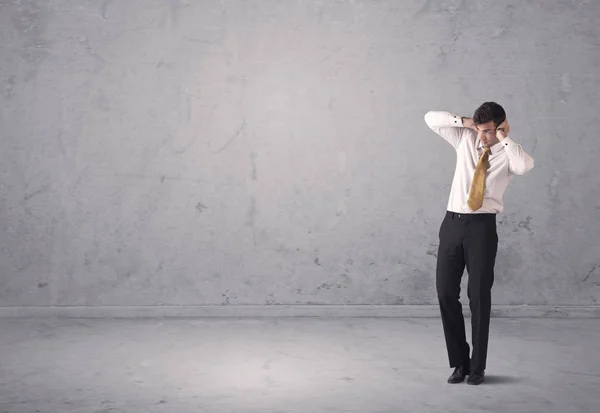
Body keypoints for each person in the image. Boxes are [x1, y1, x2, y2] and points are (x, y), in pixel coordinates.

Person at [424, 102, 534, 385]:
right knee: (446, 293)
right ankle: (459, 363)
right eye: (480, 130)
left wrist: (503, 138)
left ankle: (477, 367)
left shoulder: (508, 153)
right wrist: (465, 122)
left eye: (487, 132)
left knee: (479, 297)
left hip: (482, 228)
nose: (482, 137)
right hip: (451, 224)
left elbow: (525, 166)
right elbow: (430, 119)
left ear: (499, 128)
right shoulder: (465, 137)